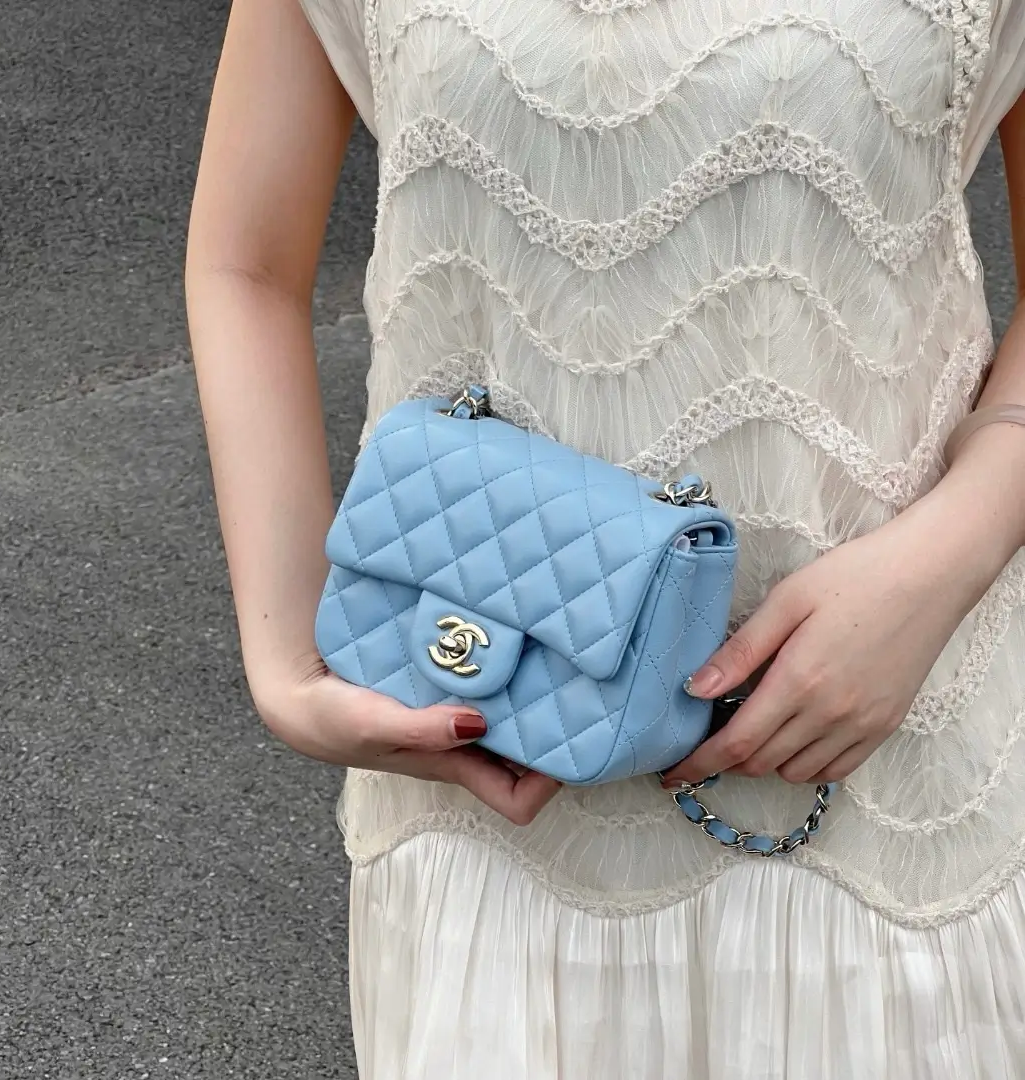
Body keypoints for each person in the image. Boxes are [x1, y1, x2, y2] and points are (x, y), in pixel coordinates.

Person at [183, 0, 1025, 1075]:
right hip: (485, 795)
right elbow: (245, 264)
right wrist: (286, 665)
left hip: (877, 793)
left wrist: (949, 554)